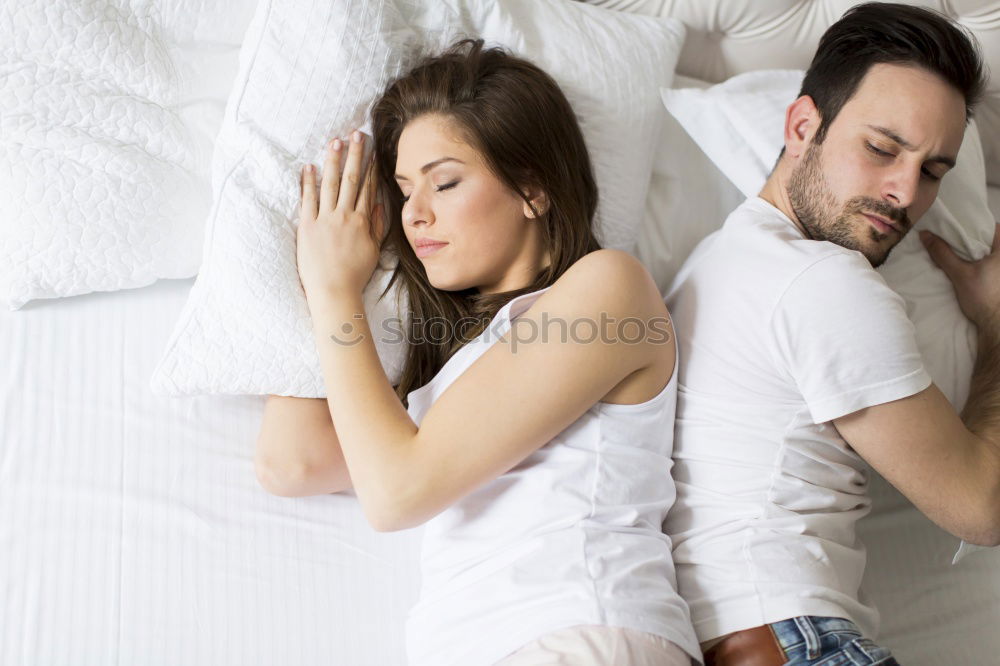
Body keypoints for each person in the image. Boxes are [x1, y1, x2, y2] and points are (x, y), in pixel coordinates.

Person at [254, 39, 701, 666]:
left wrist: (335, 291)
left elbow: (395, 493)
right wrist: (313, 264)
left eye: (444, 182)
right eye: (405, 192)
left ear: (532, 189)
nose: (415, 214)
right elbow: (291, 461)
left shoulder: (610, 290)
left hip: (582, 632)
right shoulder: (455, 382)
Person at [663, 3, 994, 664]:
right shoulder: (824, 284)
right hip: (800, 643)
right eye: (881, 148)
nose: (903, 190)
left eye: (933, 171)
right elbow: (981, 505)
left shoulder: (713, 262)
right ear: (803, 125)